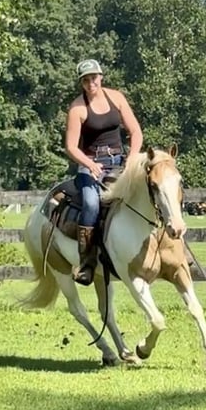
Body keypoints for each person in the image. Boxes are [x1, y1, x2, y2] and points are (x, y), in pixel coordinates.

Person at [65, 59, 143, 285]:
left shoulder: (116, 98)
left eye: (94, 78)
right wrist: (89, 164)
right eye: (86, 80)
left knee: (150, 191)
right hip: (90, 164)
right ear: (81, 83)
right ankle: (87, 261)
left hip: (120, 161)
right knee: (91, 203)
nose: (91, 84)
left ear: (101, 77)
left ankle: (168, 246)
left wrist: (132, 158)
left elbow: (135, 131)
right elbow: (71, 146)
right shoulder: (77, 108)